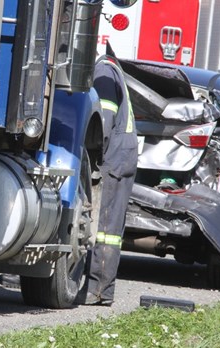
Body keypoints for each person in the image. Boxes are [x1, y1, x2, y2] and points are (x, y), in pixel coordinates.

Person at [76, 46, 138, 306]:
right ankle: (101, 289)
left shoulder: (102, 72)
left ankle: (99, 291)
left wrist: (92, 159)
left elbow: (103, 122)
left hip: (114, 160)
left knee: (106, 230)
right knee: (109, 229)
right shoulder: (111, 68)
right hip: (121, 157)